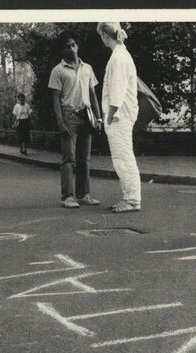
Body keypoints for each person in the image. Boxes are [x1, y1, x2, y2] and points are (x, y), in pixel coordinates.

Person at [49, 32, 102, 208]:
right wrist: (60, 122)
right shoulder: (58, 70)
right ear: (62, 50)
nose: (71, 48)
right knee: (68, 159)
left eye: (73, 45)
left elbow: (93, 94)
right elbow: (55, 98)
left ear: (77, 46)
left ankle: (84, 194)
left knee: (84, 159)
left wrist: (99, 117)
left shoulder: (87, 68)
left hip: (86, 116)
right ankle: (68, 197)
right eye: (67, 46)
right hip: (69, 116)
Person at [97, 22, 142, 213]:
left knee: (123, 158)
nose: (101, 39)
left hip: (119, 116)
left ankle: (132, 200)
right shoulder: (120, 55)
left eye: (101, 35)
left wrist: (109, 116)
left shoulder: (119, 58)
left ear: (106, 35)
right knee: (122, 158)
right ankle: (130, 198)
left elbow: (117, 91)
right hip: (120, 115)